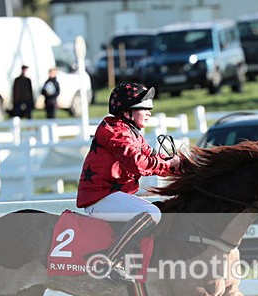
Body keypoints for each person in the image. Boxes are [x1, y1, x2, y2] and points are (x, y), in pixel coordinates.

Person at [77, 83, 183, 282]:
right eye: (145, 108)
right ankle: (107, 262)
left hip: (111, 196)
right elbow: (137, 163)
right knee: (151, 213)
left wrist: (181, 165)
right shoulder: (116, 131)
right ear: (127, 112)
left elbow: (151, 154)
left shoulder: (131, 132)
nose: (150, 113)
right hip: (100, 199)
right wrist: (169, 167)